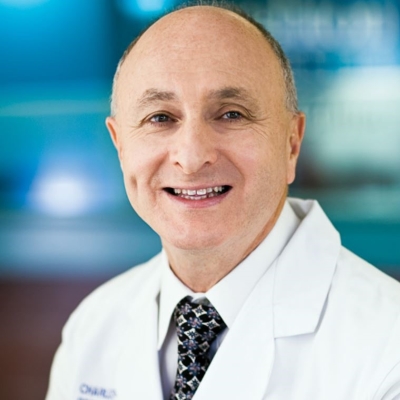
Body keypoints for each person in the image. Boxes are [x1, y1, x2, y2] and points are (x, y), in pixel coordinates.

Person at [46, 3, 400, 400]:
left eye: (231, 114)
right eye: (160, 118)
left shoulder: (388, 349)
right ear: (120, 145)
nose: (192, 157)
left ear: (291, 143)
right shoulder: (92, 328)